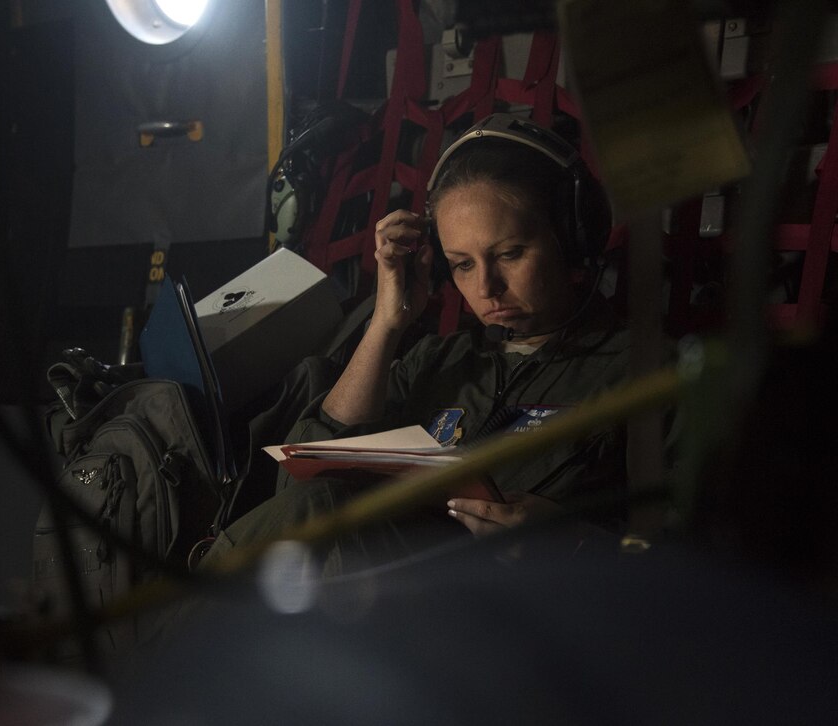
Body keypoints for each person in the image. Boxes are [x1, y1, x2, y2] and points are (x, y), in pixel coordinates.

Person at [202, 113, 672, 574]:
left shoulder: (645, 376)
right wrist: (387, 323)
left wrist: (575, 544)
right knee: (316, 503)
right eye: (463, 264)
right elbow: (297, 486)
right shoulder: (439, 359)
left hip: (524, 608)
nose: (486, 287)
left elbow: (692, 567)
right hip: (381, 599)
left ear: (571, 238)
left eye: (510, 254)